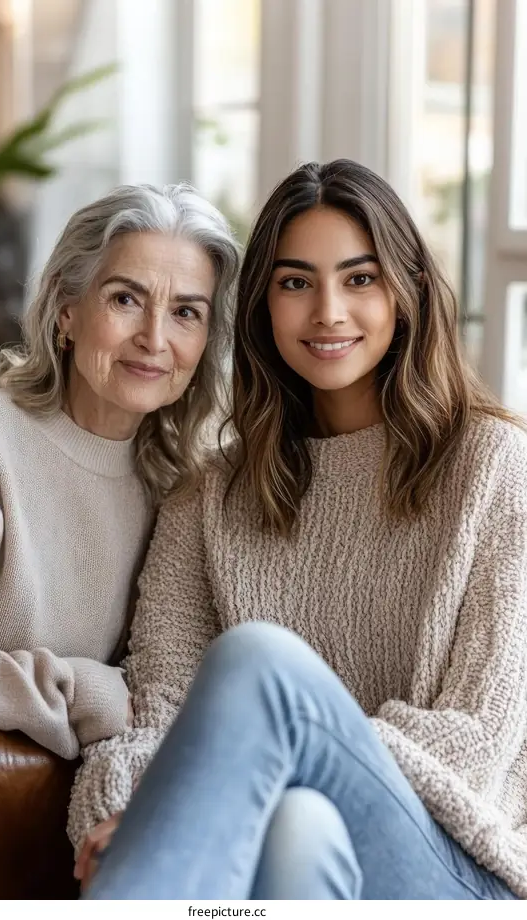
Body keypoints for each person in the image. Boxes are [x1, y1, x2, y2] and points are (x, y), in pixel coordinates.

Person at [69, 161, 527, 900]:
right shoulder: (209, 497)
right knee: (298, 825)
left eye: (360, 279)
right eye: (294, 283)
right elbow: (158, 712)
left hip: (456, 869)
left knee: (259, 664)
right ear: (259, 307)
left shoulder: (495, 466)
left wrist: (251, 763)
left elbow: (479, 739)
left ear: (405, 295)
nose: (328, 312)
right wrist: (130, 805)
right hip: (296, 850)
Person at [0, 184, 239, 759]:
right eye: (125, 299)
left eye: (186, 313)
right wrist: (85, 691)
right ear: (67, 311)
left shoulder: (184, 487)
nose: (154, 338)